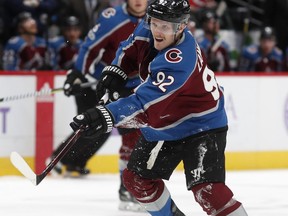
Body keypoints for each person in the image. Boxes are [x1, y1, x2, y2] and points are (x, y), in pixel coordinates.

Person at [69, 0, 248, 215]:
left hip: (202, 124)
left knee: (208, 190)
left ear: (181, 27)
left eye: (165, 26)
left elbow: (144, 107)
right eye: (154, 23)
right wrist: (116, 70)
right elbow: (130, 47)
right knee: (135, 180)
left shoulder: (180, 59)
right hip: (167, 121)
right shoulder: (148, 26)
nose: (157, 31)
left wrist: (104, 115)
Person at [47, 0, 148, 211]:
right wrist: (77, 73)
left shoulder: (157, 20)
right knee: (95, 127)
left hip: (138, 86)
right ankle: (61, 160)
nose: (139, 1)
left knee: (133, 137)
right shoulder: (113, 18)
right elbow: (89, 48)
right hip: (107, 83)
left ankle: (127, 186)